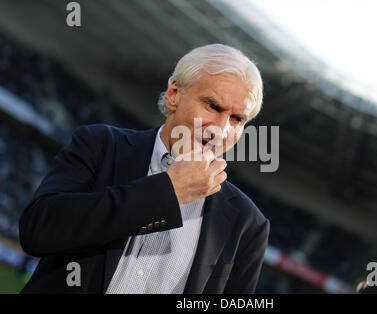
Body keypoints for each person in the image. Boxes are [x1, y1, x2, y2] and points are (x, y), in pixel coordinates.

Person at [19, 43, 270, 294]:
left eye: (237, 119)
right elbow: (38, 231)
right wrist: (166, 192)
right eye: (213, 106)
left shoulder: (248, 223)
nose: (221, 130)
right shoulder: (101, 145)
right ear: (174, 94)